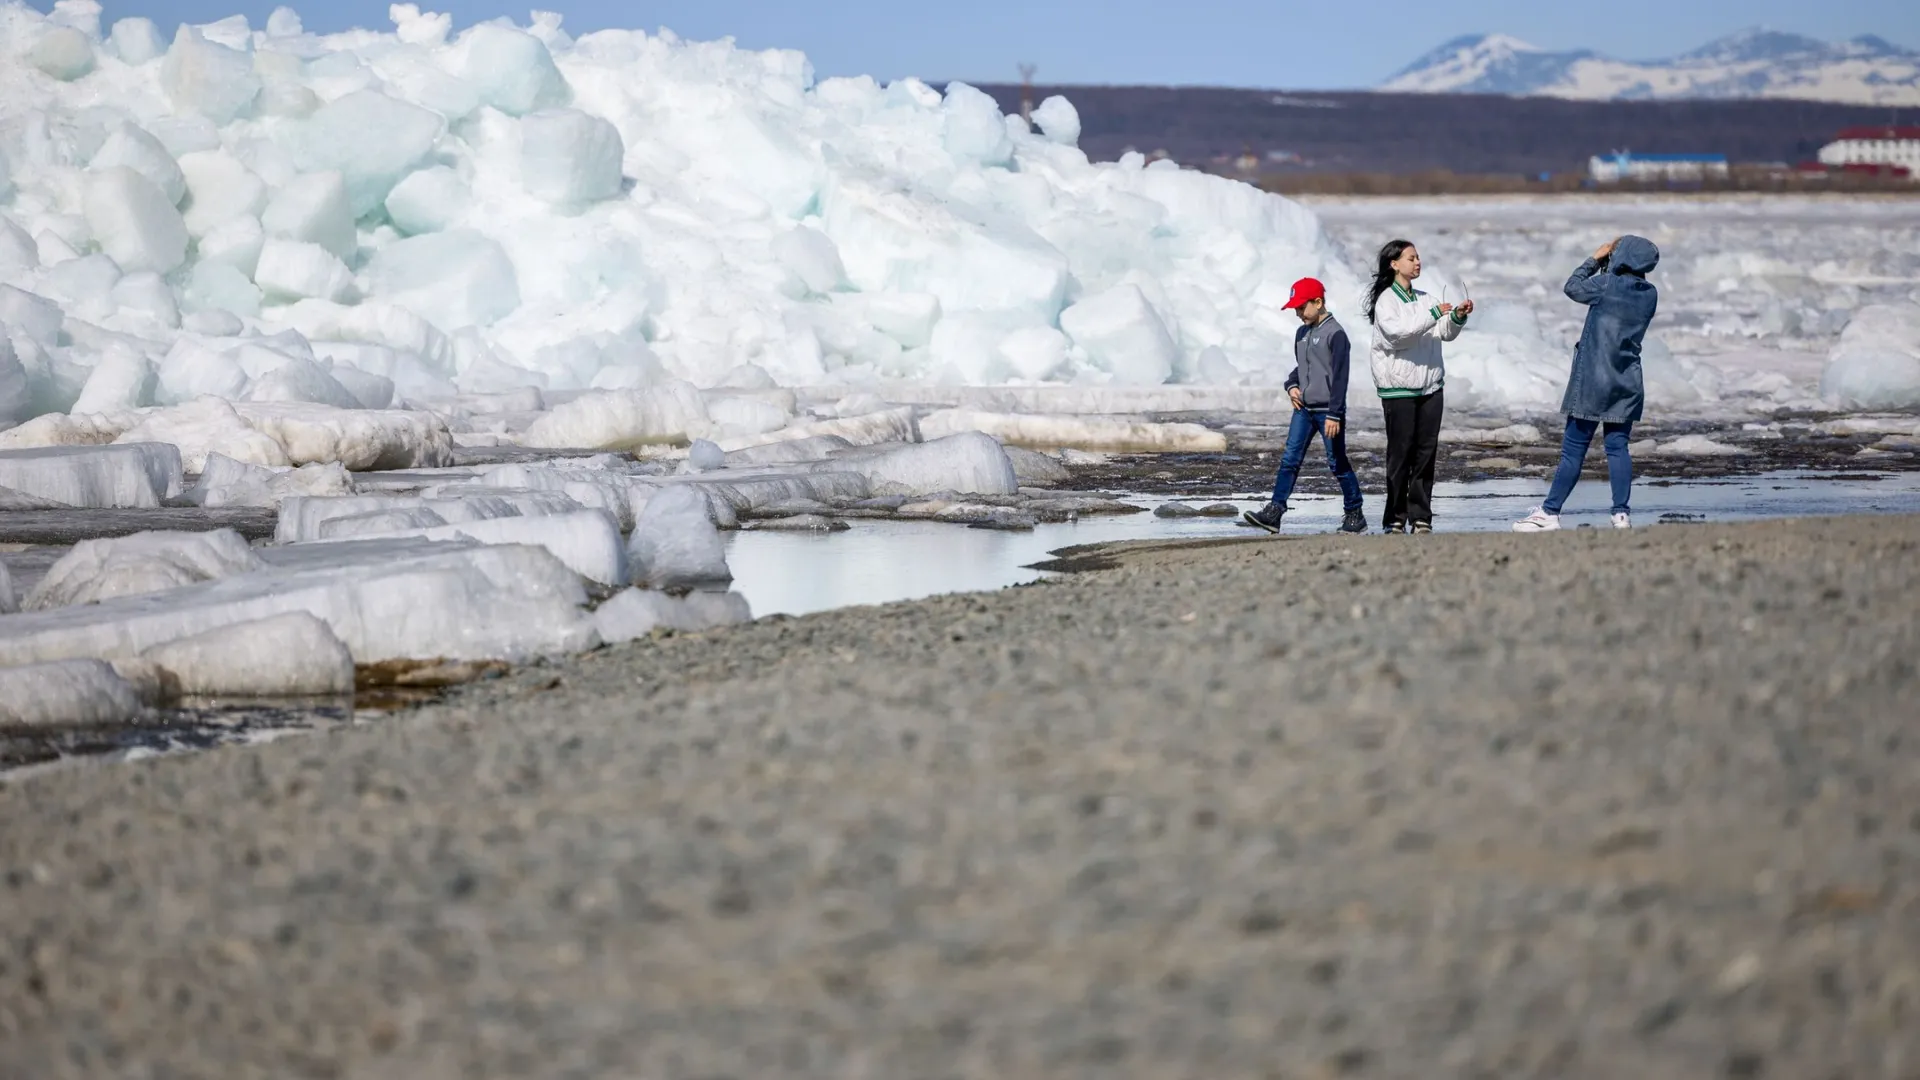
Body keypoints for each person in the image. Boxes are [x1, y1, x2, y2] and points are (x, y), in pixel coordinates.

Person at [1513, 235, 1661, 533]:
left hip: (1594, 380)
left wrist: (1595, 259)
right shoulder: (1650, 293)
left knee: (1573, 450)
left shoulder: (1607, 285)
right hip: (1627, 379)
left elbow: (1572, 287)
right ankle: (1621, 514)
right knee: (1618, 448)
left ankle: (1550, 512)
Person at [1243, 277, 1367, 534]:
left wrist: (1335, 413)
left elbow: (1340, 377)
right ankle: (1275, 512)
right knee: (1289, 459)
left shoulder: (1336, 334)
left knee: (1336, 462)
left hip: (1328, 413)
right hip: (1303, 410)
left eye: (1302, 307)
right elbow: (1303, 368)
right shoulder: (1301, 333)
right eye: (1296, 309)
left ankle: (1355, 512)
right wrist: (1291, 386)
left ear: (1318, 302)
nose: (1298, 313)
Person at [1366, 239, 1471, 534]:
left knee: (1426, 454)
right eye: (1411, 258)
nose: (1417, 262)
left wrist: (1457, 318)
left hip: (1430, 388)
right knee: (1400, 455)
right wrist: (1435, 314)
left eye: (1418, 257)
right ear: (1394, 264)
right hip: (1399, 390)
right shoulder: (1387, 301)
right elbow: (1400, 335)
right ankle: (1395, 518)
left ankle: (1421, 516)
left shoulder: (1426, 298)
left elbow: (1442, 332)